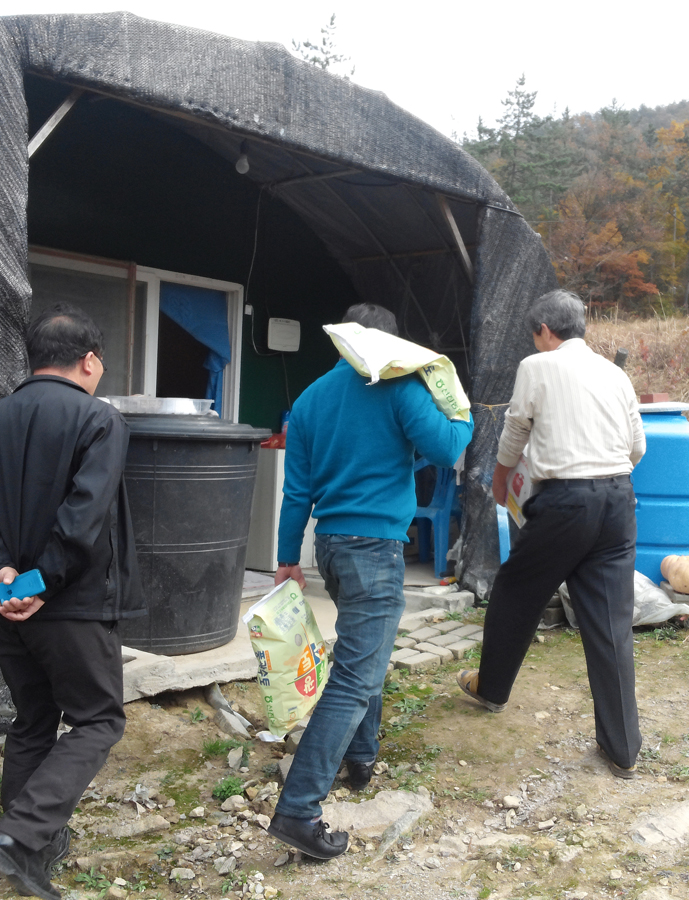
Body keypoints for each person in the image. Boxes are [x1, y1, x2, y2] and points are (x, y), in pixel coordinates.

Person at [0, 304, 143, 900]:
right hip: (70, 606)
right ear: (89, 360)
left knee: (34, 719)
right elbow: (83, 519)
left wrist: (3, 574)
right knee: (98, 718)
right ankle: (21, 837)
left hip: (1, 602)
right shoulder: (99, 421)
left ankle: (31, 854)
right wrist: (38, 584)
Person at [267, 303, 473, 859]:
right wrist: (459, 403)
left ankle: (361, 755)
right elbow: (449, 447)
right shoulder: (399, 388)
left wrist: (288, 557)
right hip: (375, 550)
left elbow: (295, 489)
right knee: (356, 676)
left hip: (329, 548)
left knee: (366, 651)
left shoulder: (309, 399)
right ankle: (298, 810)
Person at [456, 289, 646, 779]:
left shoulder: (536, 367)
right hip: (618, 500)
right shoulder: (615, 373)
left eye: (534, 334)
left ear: (544, 329)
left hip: (566, 503)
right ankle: (622, 748)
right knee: (610, 623)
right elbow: (637, 447)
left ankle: (491, 689)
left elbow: (516, 429)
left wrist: (501, 481)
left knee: (516, 592)